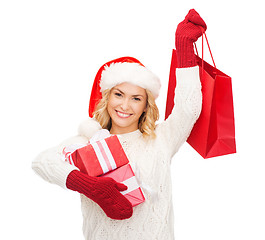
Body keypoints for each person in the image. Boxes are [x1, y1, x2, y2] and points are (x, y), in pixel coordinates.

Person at [32, 9, 206, 240]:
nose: (125, 105)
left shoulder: (161, 139)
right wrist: (90, 186)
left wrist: (184, 47)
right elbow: (42, 162)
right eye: (119, 94)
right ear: (107, 97)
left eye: (136, 98)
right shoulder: (86, 144)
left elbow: (188, 108)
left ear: (146, 106)